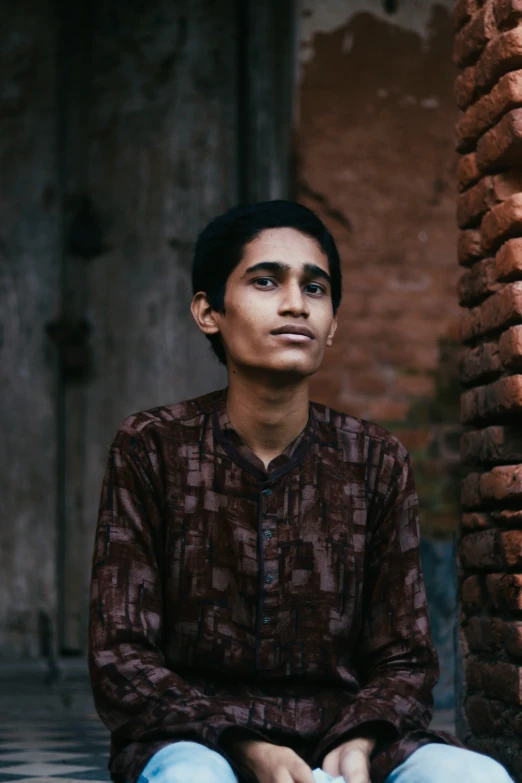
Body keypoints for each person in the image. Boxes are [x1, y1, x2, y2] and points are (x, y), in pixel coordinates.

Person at [88, 201, 514, 783]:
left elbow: (406, 658)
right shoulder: (152, 448)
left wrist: (359, 744)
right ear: (208, 311)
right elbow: (120, 655)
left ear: (332, 322)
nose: (295, 302)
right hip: (198, 738)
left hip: (346, 738)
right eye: (266, 281)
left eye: (315, 288)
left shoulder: (375, 459)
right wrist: (244, 746)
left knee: (476, 779)